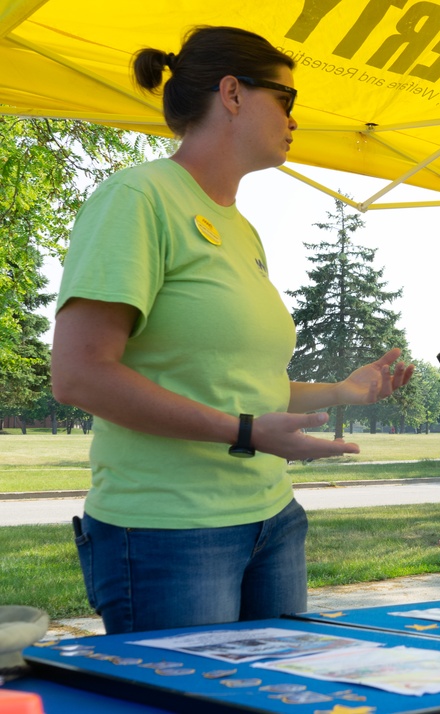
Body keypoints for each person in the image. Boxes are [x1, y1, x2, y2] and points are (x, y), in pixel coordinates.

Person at [50, 26, 414, 635]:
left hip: (272, 520)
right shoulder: (136, 198)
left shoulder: (240, 229)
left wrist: (340, 392)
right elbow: (80, 375)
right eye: (287, 100)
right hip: (168, 533)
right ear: (233, 93)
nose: (297, 119)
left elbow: (233, 382)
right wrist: (246, 432)